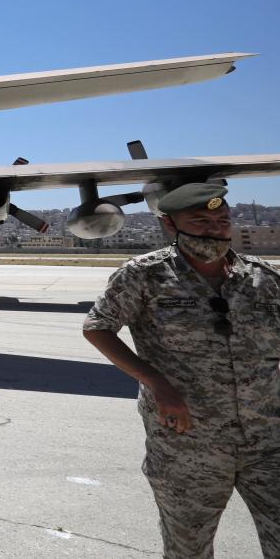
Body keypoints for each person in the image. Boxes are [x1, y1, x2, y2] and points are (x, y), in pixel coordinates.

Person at [83, 183, 280, 558]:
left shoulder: (263, 278)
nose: (214, 228)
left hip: (268, 441)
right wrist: (157, 383)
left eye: (222, 220)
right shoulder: (144, 275)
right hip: (188, 446)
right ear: (171, 225)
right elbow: (97, 327)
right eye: (201, 220)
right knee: (188, 548)